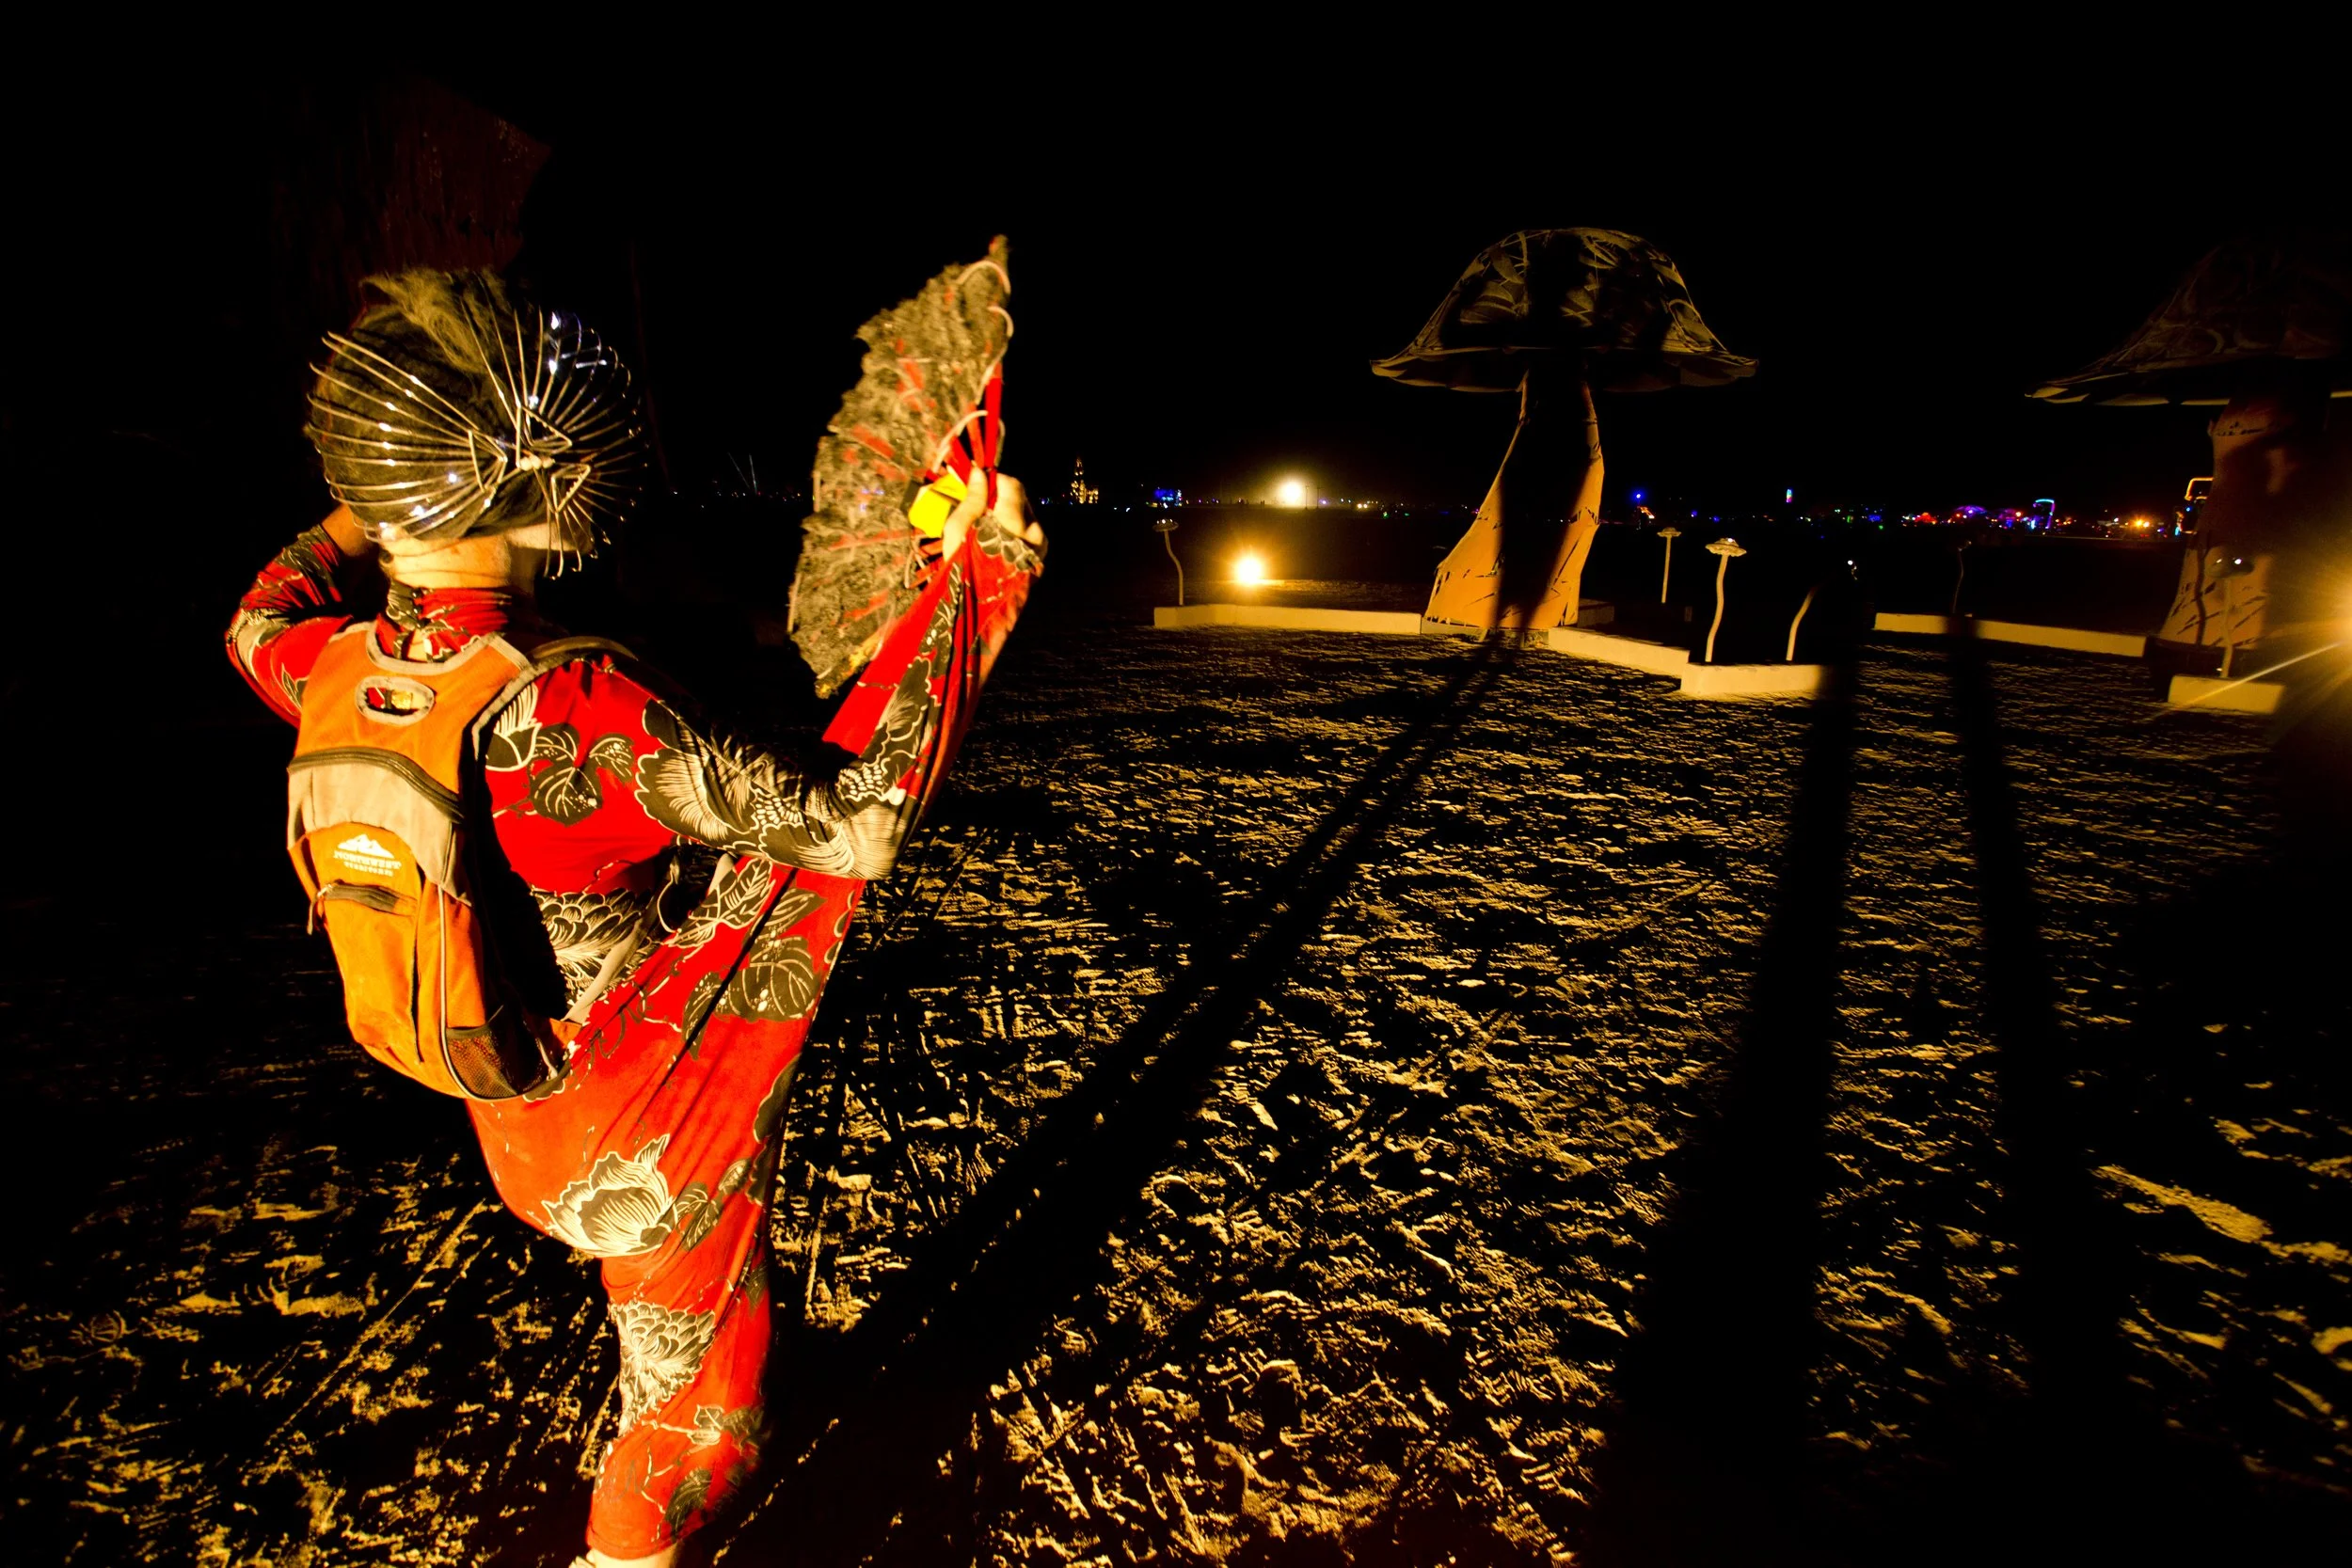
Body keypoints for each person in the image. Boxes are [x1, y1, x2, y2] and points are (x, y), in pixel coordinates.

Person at [227, 270, 1045, 1567]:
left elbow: (256, 611)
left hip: (500, 1095)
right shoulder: (580, 706)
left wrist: (382, 495)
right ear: (542, 477)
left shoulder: (328, 665)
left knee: (654, 1295)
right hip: (641, 1121)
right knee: (691, 1415)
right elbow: (854, 825)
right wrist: (982, 577)